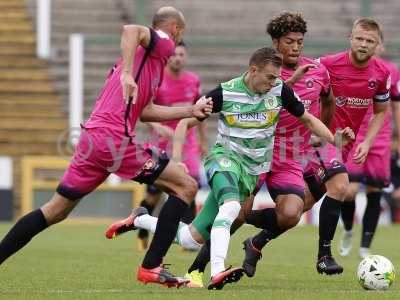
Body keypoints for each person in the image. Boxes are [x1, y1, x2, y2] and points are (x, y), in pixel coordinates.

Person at [0, 6, 213, 288]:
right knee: (185, 185)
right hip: (112, 140)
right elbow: (130, 30)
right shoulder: (160, 41)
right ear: (176, 31)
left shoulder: (147, 66)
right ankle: (151, 266)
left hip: (93, 140)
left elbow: (145, 111)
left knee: (55, 210)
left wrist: (190, 110)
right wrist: (126, 73)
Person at [106, 46, 345, 290]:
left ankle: (139, 220)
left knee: (191, 238)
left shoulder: (279, 90)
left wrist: (333, 139)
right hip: (224, 161)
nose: (275, 82)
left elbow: (308, 119)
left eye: (277, 78)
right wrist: (177, 159)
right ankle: (218, 272)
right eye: (271, 76)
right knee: (231, 207)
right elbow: (185, 122)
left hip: (250, 172)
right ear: (254, 70)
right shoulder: (225, 92)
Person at [339, 35, 400, 258]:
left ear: (380, 45)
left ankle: (365, 246)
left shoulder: (391, 71)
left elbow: (395, 105)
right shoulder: (351, 67)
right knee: (349, 190)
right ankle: (347, 229)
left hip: (380, 137)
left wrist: (398, 137)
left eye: (374, 41)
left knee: (375, 190)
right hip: (354, 134)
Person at [148, 42, 207, 224]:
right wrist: (156, 126)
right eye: (174, 54)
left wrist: (202, 140)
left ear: (185, 57)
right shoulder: (157, 80)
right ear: (167, 57)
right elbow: (143, 109)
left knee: (189, 185)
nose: (178, 58)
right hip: (162, 143)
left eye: (181, 54)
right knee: (154, 192)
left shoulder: (193, 80)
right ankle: (143, 229)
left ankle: (187, 236)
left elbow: (201, 112)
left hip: (187, 143)